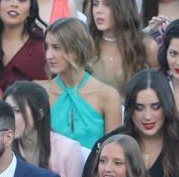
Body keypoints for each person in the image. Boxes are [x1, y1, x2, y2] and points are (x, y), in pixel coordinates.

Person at [38, 18, 120, 150]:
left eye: (56, 48)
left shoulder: (108, 95)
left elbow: (113, 151)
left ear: (76, 49)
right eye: (47, 47)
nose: (48, 55)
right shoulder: (43, 96)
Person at [6, 82, 86, 177]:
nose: (9, 118)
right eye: (6, 111)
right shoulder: (4, 148)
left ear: (39, 115)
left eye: (17, 111)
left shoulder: (68, 150)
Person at [88, 0, 157, 96]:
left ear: (122, 7)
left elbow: (156, 91)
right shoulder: (87, 46)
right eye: (95, 4)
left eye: (107, 4)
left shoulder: (146, 46)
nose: (98, 11)